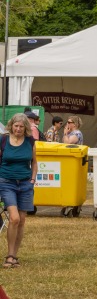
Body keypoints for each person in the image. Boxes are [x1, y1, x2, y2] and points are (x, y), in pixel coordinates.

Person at [0, 113, 38, 268]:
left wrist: (32, 179)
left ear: (25, 128)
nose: (18, 129)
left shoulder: (30, 141)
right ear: (11, 126)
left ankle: (14, 255)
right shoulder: (3, 140)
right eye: (16, 126)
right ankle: (9, 255)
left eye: (22, 126)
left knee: (21, 221)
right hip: (6, 182)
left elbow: (34, 163)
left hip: (25, 184)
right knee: (14, 218)